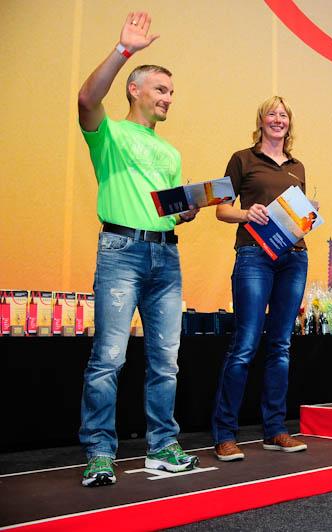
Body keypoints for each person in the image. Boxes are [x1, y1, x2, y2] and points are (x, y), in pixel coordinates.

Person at [77, 11, 199, 487]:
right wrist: (124, 49)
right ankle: (99, 452)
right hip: (121, 251)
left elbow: (167, 209)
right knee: (109, 357)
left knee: (166, 361)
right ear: (134, 90)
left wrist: (187, 209)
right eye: (160, 90)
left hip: (166, 256)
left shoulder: (170, 153)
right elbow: (87, 98)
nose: (168, 98)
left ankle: (162, 447)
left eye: (171, 92)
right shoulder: (108, 133)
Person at [211, 96, 309, 461]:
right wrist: (246, 214)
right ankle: (224, 435)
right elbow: (221, 210)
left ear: (289, 123)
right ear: (261, 120)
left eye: (284, 114)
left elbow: (297, 214)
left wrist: (309, 216)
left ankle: (275, 430)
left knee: (280, 346)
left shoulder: (298, 166)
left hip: (294, 257)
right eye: (272, 113)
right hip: (254, 256)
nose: (278, 119)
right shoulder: (242, 159)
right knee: (245, 344)